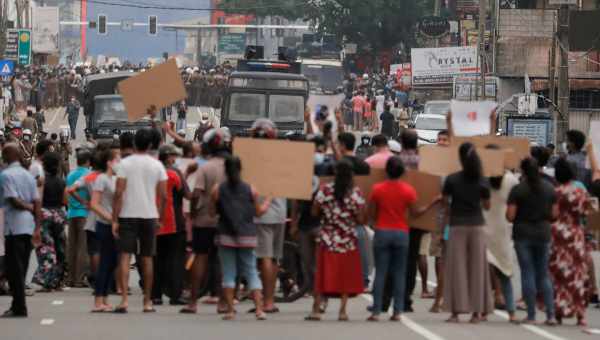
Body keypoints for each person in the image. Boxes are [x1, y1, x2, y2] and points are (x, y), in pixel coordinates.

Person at [367, 156, 438, 322]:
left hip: (382, 231)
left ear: (386, 171)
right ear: (402, 172)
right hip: (401, 233)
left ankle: (376, 311)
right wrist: (431, 204)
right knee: (400, 273)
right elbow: (416, 212)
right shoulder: (408, 190)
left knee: (381, 273)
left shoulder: (377, 189)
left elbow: (371, 213)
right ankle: (397, 311)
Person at [112, 128, 168, 313]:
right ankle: (147, 301)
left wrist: (114, 218)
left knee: (125, 257)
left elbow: (119, 193)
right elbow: (164, 196)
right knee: (147, 258)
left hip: (127, 215)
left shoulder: (125, 164)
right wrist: (159, 215)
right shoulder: (157, 165)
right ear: (151, 145)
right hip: (149, 215)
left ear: (135, 144)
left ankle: (124, 300)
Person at [211, 156, 271, 321]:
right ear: (240, 169)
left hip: (225, 236)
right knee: (251, 271)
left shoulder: (217, 189)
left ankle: (230, 310)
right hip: (247, 236)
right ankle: (259, 310)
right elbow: (258, 212)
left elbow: (212, 212)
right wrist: (267, 202)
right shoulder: (251, 189)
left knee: (228, 273)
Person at [306, 160, 366, 322]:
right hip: (348, 239)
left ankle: (316, 309)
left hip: (328, 237)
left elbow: (314, 212)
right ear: (351, 175)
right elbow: (361, 219)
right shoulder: (356, 193)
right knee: (345, 276)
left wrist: (328, 215)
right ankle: (342, 311)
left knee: (322, 274)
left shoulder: (325, 190)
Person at [442, 143, 493, 323]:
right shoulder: (482, 180)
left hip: (457, 225)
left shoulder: (452, 179)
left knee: (457, 268)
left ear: (460, 158)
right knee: (477, 268)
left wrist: (444, 225)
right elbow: (487, 205)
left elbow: (446, 203)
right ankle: (477, 313)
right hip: (477, 225)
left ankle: (456, 312)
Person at [181, 128, 228, 314]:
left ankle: (193, 301)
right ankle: (223, 302)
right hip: (226, 220)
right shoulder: (233, 167)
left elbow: (196, 195)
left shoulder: (205, 168)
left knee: (200, 257)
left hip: (204, 220)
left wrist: (192, 213)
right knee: (224, 260)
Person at [507, 157, 558, 325]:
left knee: (527, 273)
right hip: (543, 233)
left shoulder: (518, 190)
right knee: (543, 274)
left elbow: (511, 216)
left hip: (523, 234)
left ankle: (531, 315)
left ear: (522, 171)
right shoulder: (549, 188)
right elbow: (555, 215)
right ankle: (551, 314)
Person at [549, 158, 598, 326]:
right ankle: (580, 314)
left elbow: (553, 214)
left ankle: (559, 312)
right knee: (577, 273)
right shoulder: (580, 192)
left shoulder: (556, 192)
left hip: (559, 234)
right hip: (576, 235)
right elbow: (588, 212)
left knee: (560, 273)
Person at [1, 144, 41, 318]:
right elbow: (37, 202)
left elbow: (13, 199)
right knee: (22, 267)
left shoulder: (6, 175)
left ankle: (19, 306)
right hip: (28, 226)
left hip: (14, 227)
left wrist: (28, 207)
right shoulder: (28, 175)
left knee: (14, 269)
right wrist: (38, 226)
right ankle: (18, 304)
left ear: (8, 157)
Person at [251, 119, 287, 314]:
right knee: (273, 258)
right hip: (280, 212)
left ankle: (265, 301)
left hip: (261, 213)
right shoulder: (283, 157)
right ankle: (269, 300)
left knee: (264, 257)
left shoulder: (251, 158)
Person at [483, 145, 519, 323]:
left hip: (484, 227)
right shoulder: (511, 180)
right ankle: (511, 311)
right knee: (504, 270)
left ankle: (482, 310)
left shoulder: (481, 179)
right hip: (503, 228)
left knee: (484, 269)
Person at [152, 144, 186, 306]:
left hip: (154, 219)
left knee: (157, 259)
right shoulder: (174, 174)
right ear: (169, 158)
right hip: (173, 221)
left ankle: (156, 294)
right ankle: (175, 294)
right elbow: (186, 193)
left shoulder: (153, 173)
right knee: (175, 260)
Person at [89, 146, 120, 312]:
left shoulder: (117, 179)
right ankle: (98, 300)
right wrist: (111, 218)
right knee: (105, 263)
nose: (120, 162)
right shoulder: (102, 179)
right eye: (117, 159)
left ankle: (105, 299)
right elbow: (94, 204)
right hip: (105, 224)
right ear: (109, 162)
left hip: (116, 225)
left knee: (113, 262)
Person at [31, 152, 66, 292]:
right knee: (58, 248)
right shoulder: (61, 181)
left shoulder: (41, 180)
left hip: (44, 214)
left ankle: (43, 278)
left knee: (45, 248)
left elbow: (37, 198)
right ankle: (56, 280)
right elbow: (65, 201)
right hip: (58, 214)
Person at [65, 148, 92, 288]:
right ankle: (79, 279)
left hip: (71, 213)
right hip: (84, 214)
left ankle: (70, 278)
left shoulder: (70, 175)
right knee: (83, 247)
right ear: (88, 161)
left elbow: (66, 193)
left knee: (72, 247)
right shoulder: (89, 174)